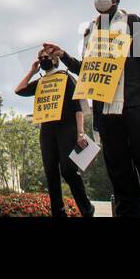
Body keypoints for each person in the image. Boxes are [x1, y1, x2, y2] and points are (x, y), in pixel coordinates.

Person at [49, 0, 140, 217]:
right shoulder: (91, 30)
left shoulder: (132, 22)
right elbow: (87, 69)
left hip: (135, 104)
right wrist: (63, 56)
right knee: (119, 172)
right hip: (107, 112)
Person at [14, 43, 94, 217]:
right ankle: (58, 213)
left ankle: (87, 208)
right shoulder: (41, 81)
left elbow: (77, 108)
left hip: (67, 128)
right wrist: (32, 71)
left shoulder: (66, 78)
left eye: (47, 57)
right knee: (50, 172)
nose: (43, 60)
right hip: (47, 130)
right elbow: (19, 90)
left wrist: (80, 133)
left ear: (55, 60)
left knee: (67, 170)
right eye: (40, 58)